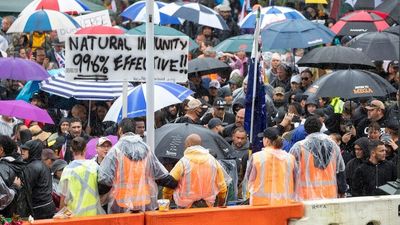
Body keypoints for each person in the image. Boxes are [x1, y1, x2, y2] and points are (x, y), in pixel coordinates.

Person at [98, 118, 177, 212]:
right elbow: (160, 175)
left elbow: (105, 180)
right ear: (135, 130)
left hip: (121, 202)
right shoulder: (146, 149)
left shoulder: (115, 150)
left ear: (120, 130)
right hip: (144, 201)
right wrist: (176, 183)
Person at [162, 134, 229, 208]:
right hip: (207, 206)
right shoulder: (213, 161)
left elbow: (169, 185)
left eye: (185, 144)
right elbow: (222, 187)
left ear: (188, 144)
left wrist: (166, 201)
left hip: (185, 206)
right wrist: (221, 204)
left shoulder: (183, 162)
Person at [289, 116, 346, 200]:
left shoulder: (299, 147)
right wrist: (342, 190)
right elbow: (340, 170)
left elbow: (290, 171)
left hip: (306, 197)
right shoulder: (334, 145)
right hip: (329, 195)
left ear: (305, 129)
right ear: (320, 127)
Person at [245, 127, 297, 205]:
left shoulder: (257, 157)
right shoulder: (290, 158)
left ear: (267, 140)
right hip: (285, 204)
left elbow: (248, 179)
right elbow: (296, 180)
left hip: (260, 205)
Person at [59, 137, 104, 216]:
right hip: (92, 213)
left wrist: (61, 213)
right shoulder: (94, 166)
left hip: (74, 214)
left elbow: (63, 196)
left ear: (71, 149)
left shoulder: (67, 170)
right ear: (85, 149)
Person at [20, 140, 56, 219]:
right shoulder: (42, 164)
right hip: (48, 205)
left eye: (25, 150)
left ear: (33, 150)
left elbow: (26, 189)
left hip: (39, 209)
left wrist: (17, 185)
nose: (22, 152)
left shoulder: (32, 167)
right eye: (22, 149)